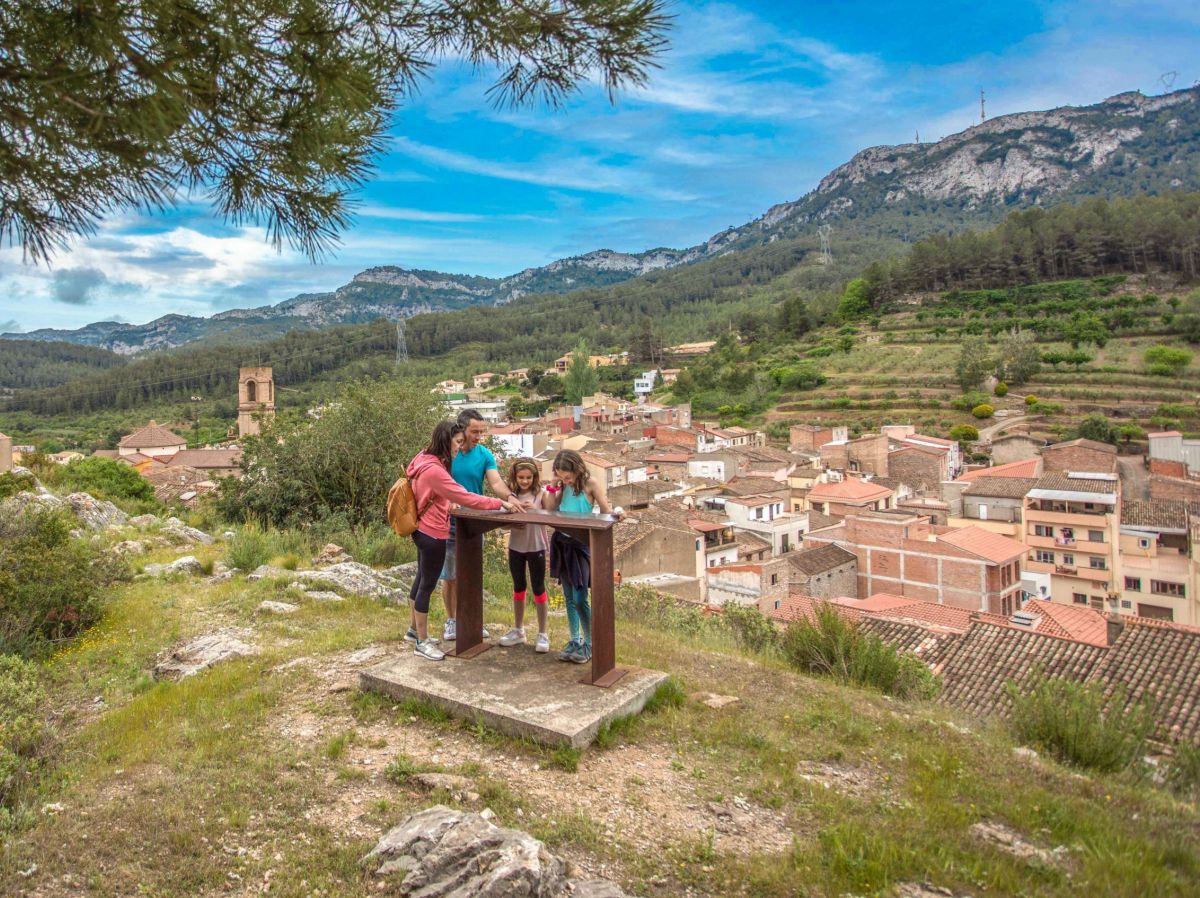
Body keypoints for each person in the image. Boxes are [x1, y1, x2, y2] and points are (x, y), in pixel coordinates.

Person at [404, 421, 523, 660]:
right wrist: (500, 503)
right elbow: (467, 497)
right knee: (427, 585)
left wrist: (446, 501)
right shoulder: (436, 470)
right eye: (457, 442)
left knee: (420, 580)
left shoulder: (422, 458)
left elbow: (427, 491)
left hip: (420, 527)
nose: (459, 447)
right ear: (446, 441)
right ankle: (422, 642)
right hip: (434, 532)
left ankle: (413, 630)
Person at [541, 449, 624, 664]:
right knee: (568, 596)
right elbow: (550, 509)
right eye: (561, 476)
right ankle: (574, 640)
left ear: (577, 469)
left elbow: (605, 510)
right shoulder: (562, 486)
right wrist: (553, 486)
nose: (566, 480)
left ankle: (590, 642)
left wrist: (618, 513)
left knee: (579, 597)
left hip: (581, 544)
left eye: (567, 476)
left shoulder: (591, 484)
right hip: (562, 541)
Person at [440, 409, 514, 642]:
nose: (478, 436)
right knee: (450, 575)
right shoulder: (447, 454)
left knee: (471, 574)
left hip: (475, 523)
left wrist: (510, 498)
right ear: (461, 429)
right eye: (474, 431)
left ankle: (471, 620)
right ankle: (452, 621)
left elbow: (496, 482)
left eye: (481, 431)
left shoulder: (484, 455)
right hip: (448, 523)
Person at [497, 459, 551, 653]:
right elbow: (501, 522)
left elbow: (550, 516)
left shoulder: (541, 494)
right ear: (515, 477)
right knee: (518, 587)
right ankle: (518, 629)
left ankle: (543, 633)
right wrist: (512, 523)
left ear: (534, 477)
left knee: (539, 588)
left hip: (536, 546)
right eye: (521, 477)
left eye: (528, 477)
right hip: (516, 547)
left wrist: (535, 511)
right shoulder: (511, 496)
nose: (525, 481)